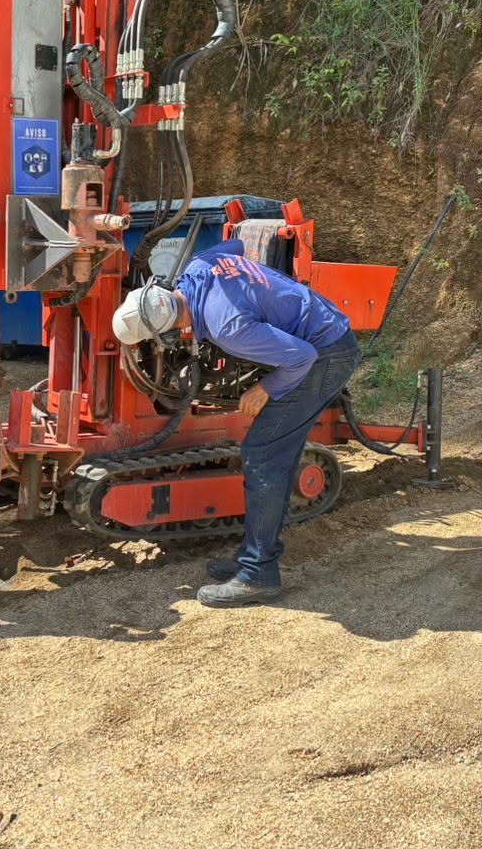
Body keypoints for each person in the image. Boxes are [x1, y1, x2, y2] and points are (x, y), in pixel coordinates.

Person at [111, 247, 360, 608]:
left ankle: (258, 573)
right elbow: (236, 247)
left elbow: (301, 358)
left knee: (261, 453)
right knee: (278, 450)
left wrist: (264, 389)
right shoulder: (198, 265)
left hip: (324, 356)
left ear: (163, 333)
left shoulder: (228, 328)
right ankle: (255, 554)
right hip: (324, 329)